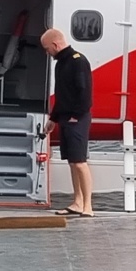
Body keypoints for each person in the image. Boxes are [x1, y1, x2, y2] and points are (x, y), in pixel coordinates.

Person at [40, 27, 95, 216]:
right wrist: (53, 119)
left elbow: (84, 93)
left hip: (77, 117)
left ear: (56, 44)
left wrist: (76, 115)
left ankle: (88, 205)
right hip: (66, 117)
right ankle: (77, 202)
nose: (47, 53)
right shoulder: (61, 64)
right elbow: (63, 96)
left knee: (80, 161)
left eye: (47, 49)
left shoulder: (77, 62)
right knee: (72, 162)